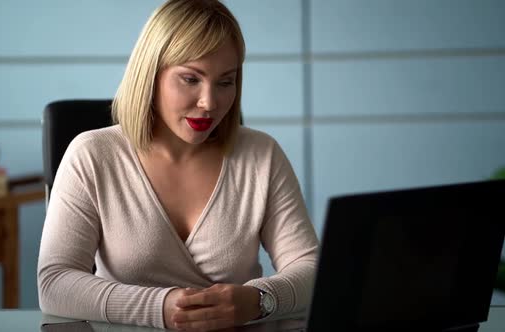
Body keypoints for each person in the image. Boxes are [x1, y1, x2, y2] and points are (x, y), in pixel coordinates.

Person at [37, 0, 318, 330]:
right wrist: (160, 308)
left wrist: (260, 300)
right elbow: (55, 284)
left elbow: (311, 267)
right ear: (151, 74)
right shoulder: (92, 155)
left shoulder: (261, 154)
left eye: (225, 82)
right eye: (190, 79)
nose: (209, 103)